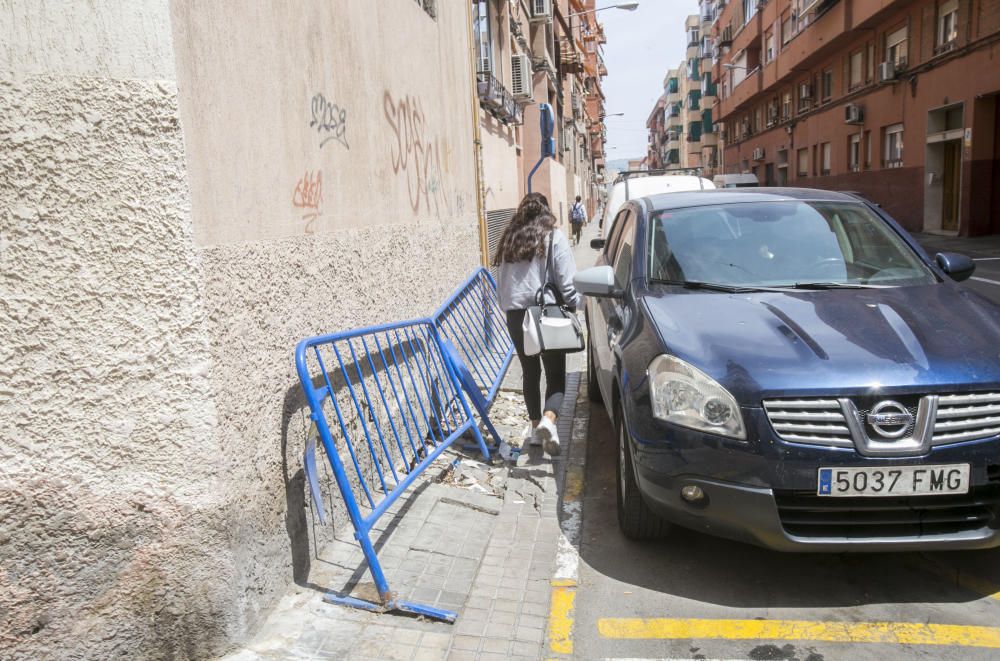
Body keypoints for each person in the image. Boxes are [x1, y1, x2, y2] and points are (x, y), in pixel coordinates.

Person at [494, 193, 581, 456]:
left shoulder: (509, 241)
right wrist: (575, 307)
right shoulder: (553, 237)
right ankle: (549, 420)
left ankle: (535, 431)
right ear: (546, 212)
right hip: (547, 314)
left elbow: (501, 286)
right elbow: (568, 284)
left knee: (530, 373)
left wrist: (511, 308)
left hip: (516, 316)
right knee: (556, 375)